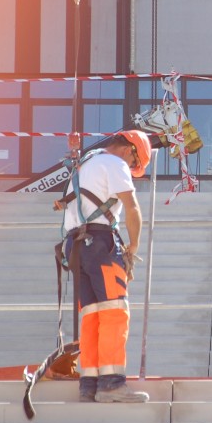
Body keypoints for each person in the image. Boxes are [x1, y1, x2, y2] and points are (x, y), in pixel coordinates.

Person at [54, 130, 152, 403]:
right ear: (129, 150)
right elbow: (131, 208)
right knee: (114, 311)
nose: (131, 169)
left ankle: (90, 384)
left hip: (76, 246)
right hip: (100, 243)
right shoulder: (115, 163)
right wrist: (133, 247)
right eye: (134, 164)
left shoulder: (86, 163)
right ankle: (111, 384)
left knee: (92, 314)